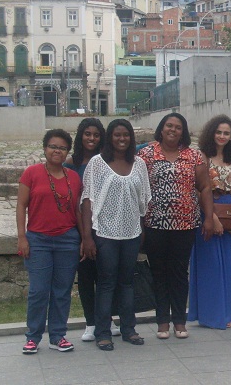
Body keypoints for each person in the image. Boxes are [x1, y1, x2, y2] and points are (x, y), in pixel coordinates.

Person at [138, 113, 213, 339]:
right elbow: (139, 189)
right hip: (155, 223)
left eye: (178, 127)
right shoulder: (146, 154)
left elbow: (205, 188)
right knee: (159, 272)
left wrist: (209, 216)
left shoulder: (193, 156)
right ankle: (162, 321)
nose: (173, 130)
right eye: (169, 126)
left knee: (180, 273)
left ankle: (179, 321)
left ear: (183, 131)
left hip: (185, 223)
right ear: (161, 129)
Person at [80, 119, 151, 351]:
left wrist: (141, 228)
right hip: (105, 233)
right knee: (106, 283)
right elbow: (87, 200)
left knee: (127, 282)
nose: (122, 139)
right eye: (117, 135)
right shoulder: (97, 163)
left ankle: (129, 328)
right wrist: (88, 237)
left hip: (131, 232)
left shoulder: (139, 164)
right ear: (110, 137)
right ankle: (103, 332)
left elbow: (143, 200)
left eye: (126, 135)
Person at [17, 129, 82, 355]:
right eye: (53, 146)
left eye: (63, 148)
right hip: (38, 240)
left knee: (62, 290)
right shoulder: (31, 173)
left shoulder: (73, 177)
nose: (57, 151)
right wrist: (22, 237)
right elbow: (21, 206)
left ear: (67, 152)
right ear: (45, 148)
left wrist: (83, 239)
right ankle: (32, 337)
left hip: (67, 241)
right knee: (38, 290)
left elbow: (77, 210)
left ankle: (58, 335)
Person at [63, 118, 119, 342]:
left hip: (105, 225)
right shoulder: (71, 163)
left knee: (107, 276)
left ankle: (107, 318)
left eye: (96, 135)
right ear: (80, 136)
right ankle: (91, 322)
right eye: (87, 134)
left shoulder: (109, 161)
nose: (92, 138)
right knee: (86, 277)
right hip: (79, 226)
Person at [188, 115, 231, 329]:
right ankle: (213, 315)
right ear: (212, 133)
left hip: (229, 209)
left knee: (229, 264)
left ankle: (228, 311)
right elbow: (199, 189)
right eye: (219, 132)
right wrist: (211, 217)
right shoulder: (202, 156)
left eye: (226, 133)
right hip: (209, 209)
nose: (222, 136)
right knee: (211, 263)